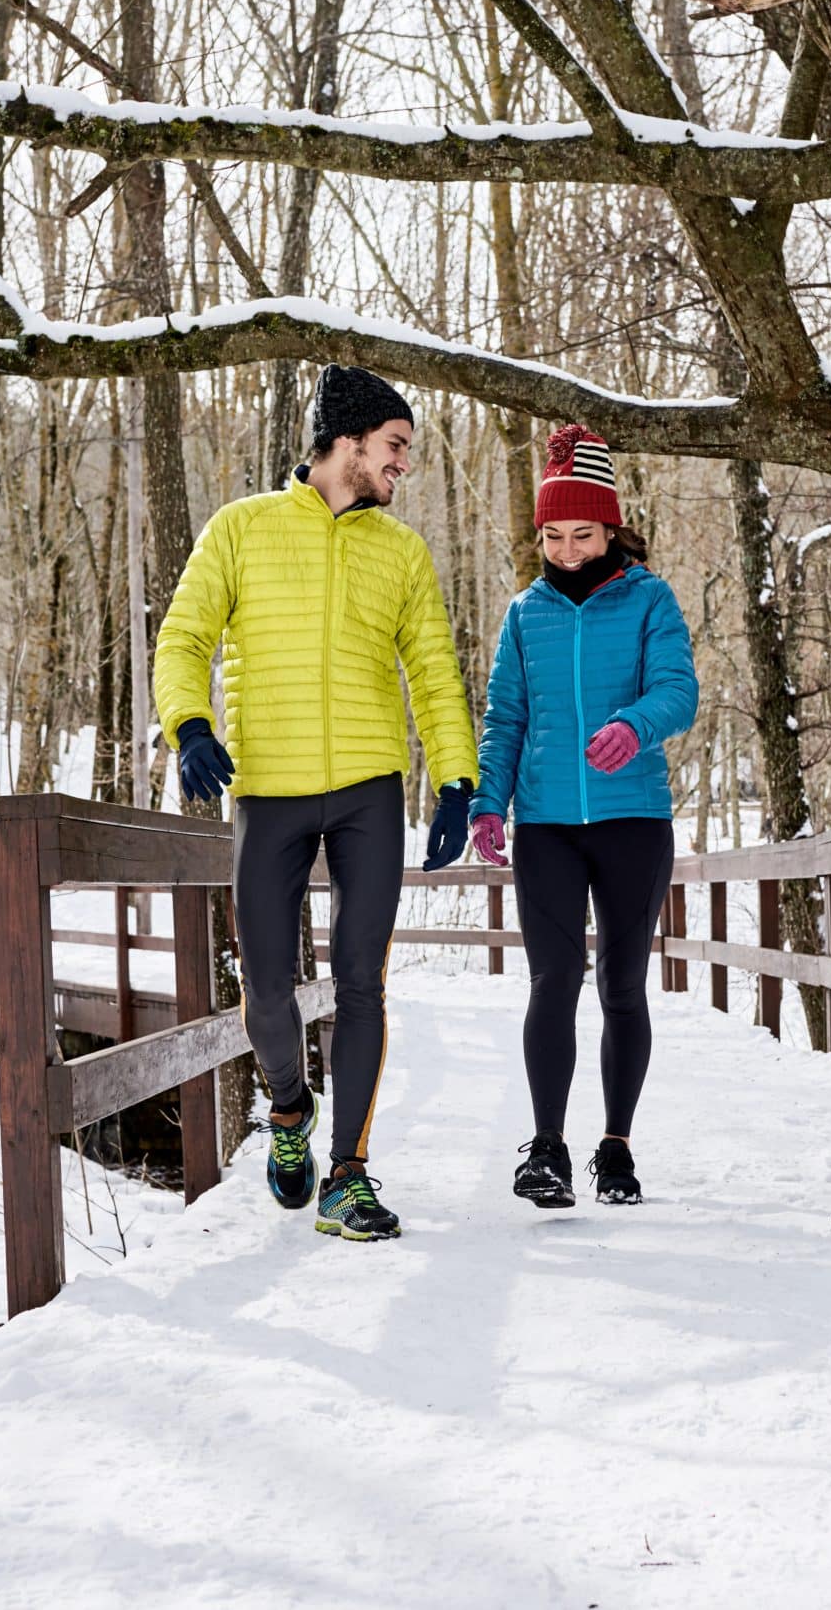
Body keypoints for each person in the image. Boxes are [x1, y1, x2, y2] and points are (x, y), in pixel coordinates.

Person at [153, 365, 479, 1243]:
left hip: (370, 787)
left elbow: (435, 674)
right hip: (269, 784)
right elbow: (183, 635)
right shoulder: (243, 530)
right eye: (395, 447)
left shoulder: (400, 553)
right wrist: (189, 725)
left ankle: (348, 1175)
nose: (402, 465)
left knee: (362, 983)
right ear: (347, 440)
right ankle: (290, 1112)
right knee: (266, 985)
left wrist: (456, 775)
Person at [470, 424, 697, 1208]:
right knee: (553, 979)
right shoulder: (523, 614)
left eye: (583, 532)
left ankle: (617, 1146)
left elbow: (679, 690)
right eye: (553, 534)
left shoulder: (650, 599)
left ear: (611, 529)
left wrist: (633, 724)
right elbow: (505, 717)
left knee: (622, 987)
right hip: (547, 826)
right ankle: (548, 1150)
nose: (567, 548)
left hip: (633, 818)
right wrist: (487, 802)